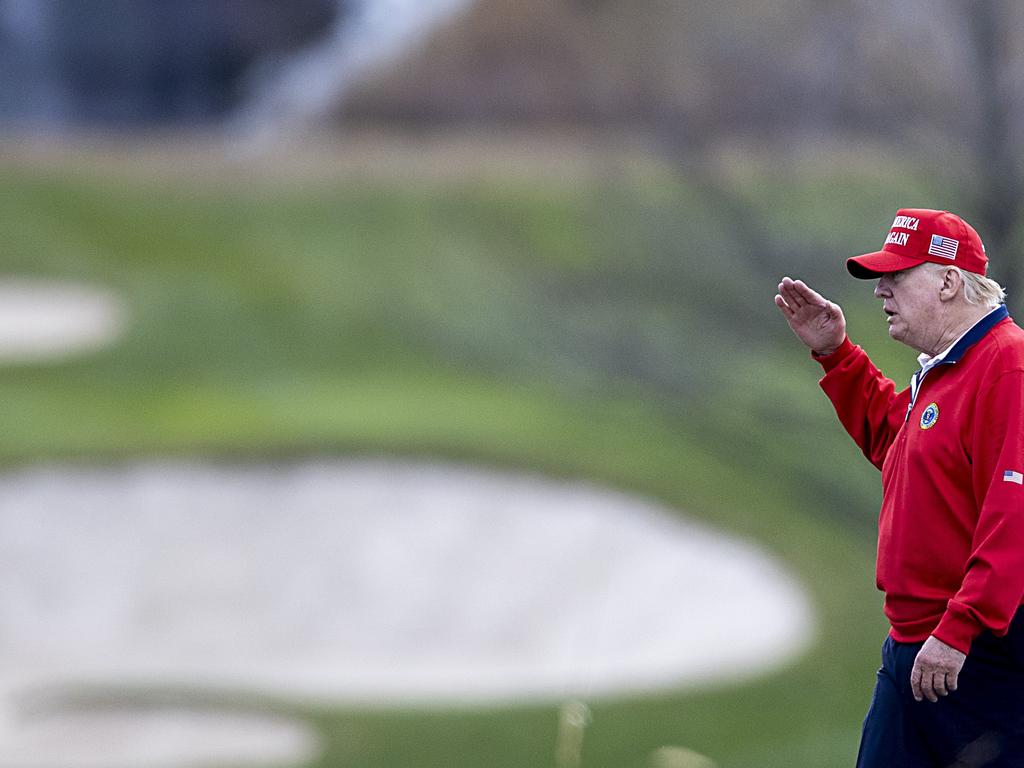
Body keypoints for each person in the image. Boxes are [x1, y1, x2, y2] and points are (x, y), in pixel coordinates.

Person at [775, 208, 1024, 768]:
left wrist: (960, 629)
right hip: (914, 642)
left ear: (949, 280)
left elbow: (1015, 514)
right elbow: (899, 448)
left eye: (897, 276)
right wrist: (836, 352)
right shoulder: (944, 367)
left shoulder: (1008, 363)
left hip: (979, 650)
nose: (882, 289)